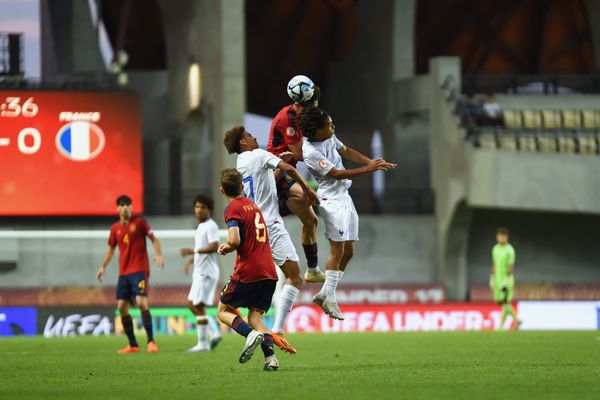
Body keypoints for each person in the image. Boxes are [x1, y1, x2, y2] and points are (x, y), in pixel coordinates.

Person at [223, 125, 320, 354]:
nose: (254, 136)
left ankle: (266, 349)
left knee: (251, 298)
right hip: (271, 227)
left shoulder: (241, 165)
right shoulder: (259, 155)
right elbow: (285, 167)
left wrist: (280, 167)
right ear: (243, 142)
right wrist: (307, 190)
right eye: (249, 135)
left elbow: (267, 184)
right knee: (294, 278)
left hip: (253, 231)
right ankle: (278, 329)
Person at [296, 107, 397, 320]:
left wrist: (369, 161)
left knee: (350, 250)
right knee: (338, 249)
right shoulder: (311, 152)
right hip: (331, 200)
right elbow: (336, 173)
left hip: (344, 196)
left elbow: (346, 151)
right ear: (316, 131)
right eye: (329, 125)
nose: (333, 127)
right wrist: (367, 170)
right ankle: (328, 296)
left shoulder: (328, 136)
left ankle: (325, 293)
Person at [216, 168, 280, 371]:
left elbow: (234, 239)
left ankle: (249, 334)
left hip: (249, 270)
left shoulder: (232, 208)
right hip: (270, 271)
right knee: (255, 317)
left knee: (223, 310)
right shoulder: (253, 206)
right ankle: (271, 359)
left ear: (221, 190)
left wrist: (227, 246)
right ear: (242, 187)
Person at [268, 77, 324, 284]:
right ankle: (280, 206)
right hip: (274, 175)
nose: (313, 108)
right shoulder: (288, 119)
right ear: (298, 104)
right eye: (309, 105)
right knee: (307, 196)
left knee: (311, 220)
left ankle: (313, 269)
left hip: (287, 172)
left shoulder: (303, 115)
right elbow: (299, 154)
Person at [96, 195, 164, 354]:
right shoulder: (115, 229)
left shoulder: (140, 223)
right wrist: (102, 266)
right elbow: (111, 250)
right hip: (124, 273)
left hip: (140, 270)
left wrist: (159, 254)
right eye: (121, 205)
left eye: (127, 204)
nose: (124, 207)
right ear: (117, 208)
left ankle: (151, 342)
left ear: (131, 207)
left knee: (141, 303)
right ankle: (133, 344)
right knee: (121, 307)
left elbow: (153, 238)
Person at [179, 193, 222, 352]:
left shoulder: (211, 225)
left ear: (209, 210)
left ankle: (209, 337)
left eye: (203, 207)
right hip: (201, 271)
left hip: (206, 272)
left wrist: (193, 251)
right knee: (196, 304)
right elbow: (203, 250)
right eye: (197, 207)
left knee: (194, 304)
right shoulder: (201, 226)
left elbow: (214, 246)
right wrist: (192, 260)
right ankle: (209, 338)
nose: (199, 210)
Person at [490, 227, 522, 330]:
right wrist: (492, 277)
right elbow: (494, 264)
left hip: (506, 280)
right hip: (497, 279)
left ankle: (504, 324)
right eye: (499, 236)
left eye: (503, 236)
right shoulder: (495, 248)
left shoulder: (510, 250)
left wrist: (506, 281)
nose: (501, 238)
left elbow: (510, 267)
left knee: (505, 302)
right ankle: (516, 320)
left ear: (506, 238)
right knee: (500, 302)